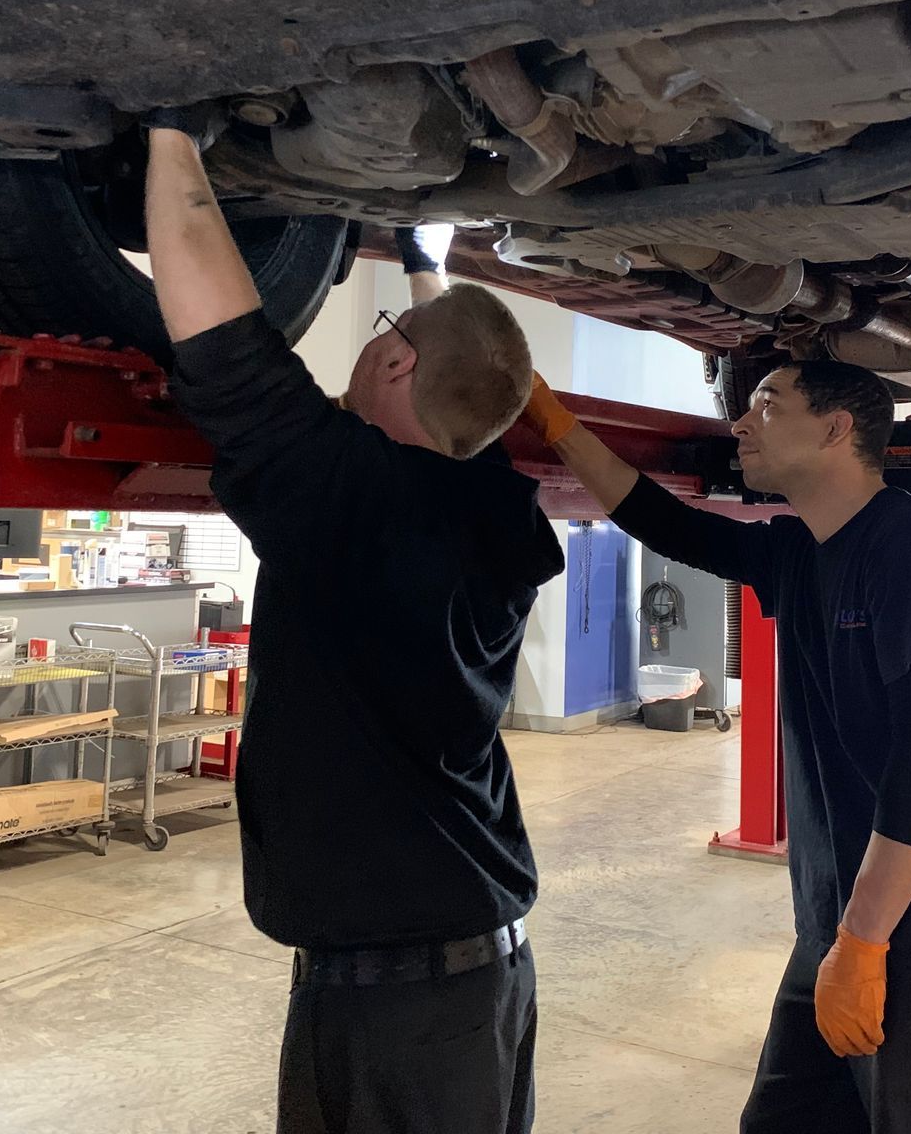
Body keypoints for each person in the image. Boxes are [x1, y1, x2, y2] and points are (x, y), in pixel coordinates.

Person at [143, 124, 565, 1134]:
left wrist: (168, 136)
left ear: (387, 364)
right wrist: (427, 269)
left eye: (380, 339)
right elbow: (462, 386)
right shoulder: (492, 511)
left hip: (402, 1011)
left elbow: (230, 356)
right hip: (468, 984)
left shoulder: (358, 503)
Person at [522, 362, 911, 1133]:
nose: (739, 423)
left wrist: (864, 943)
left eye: (768, 403)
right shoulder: (799, 552)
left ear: (835, 429)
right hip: (837, 929)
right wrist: (553, 419)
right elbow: (665, 522)